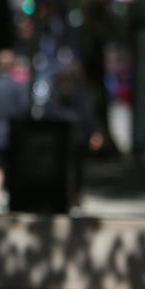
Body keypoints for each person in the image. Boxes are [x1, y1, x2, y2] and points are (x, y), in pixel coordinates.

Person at [43, 59, 102, 209]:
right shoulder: (82, 90)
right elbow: (88, 114)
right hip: (77, 136)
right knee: (77, 169)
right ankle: (74, 197)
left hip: (62, 136)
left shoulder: (55, 88)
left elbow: (49, 112)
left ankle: (64, 198)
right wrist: (93, 132)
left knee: (61, 169)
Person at [0, 48, 29, 213]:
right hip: (12, 133)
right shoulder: (19, 87)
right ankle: (8, 199)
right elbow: (24, 110)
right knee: (11, 167)